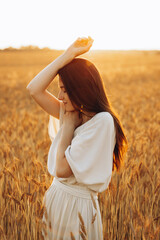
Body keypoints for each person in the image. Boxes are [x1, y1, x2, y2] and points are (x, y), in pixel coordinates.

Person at [26, 36, 128, 240]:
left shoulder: (102, 121)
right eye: (59, 89)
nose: (60, 97)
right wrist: (67, 55)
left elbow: (62, 169)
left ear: (81, 89)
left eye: (65, 90)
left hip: (76, 209)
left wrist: (68, 127)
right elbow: (34, 89)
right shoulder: (71, 112)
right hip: (57, 200)